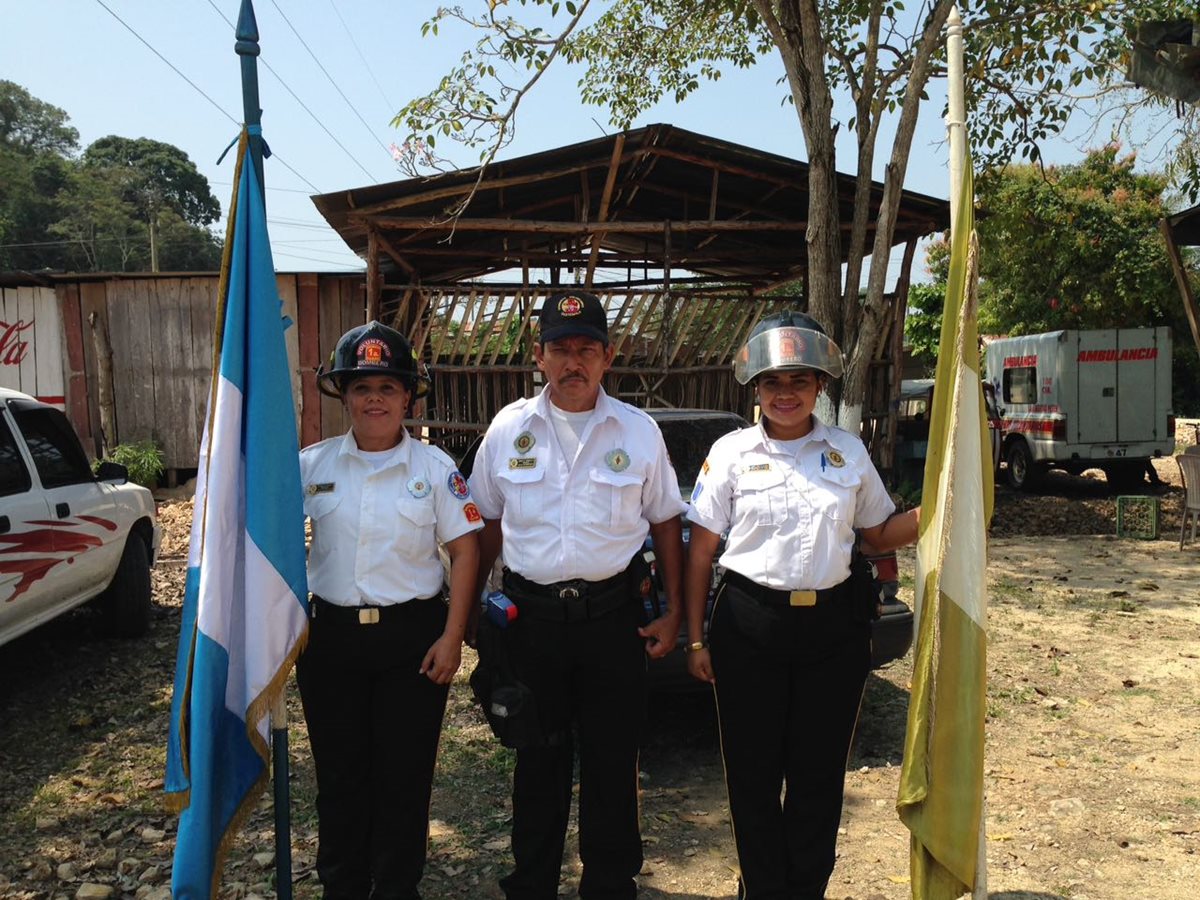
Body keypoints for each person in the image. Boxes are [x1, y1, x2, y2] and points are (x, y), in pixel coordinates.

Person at [683, 311, 919, 900]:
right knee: (752, 776)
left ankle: (806, 890)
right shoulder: (731, 453)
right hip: (748, 627)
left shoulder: (847, 452)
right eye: (772, 382)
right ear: (755, 387)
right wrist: (696, 638)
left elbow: (877, 535)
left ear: (819, 386)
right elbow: (701, 552)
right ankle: (762, 890)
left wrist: (942, 504)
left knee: (819, 776)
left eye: (799, 380)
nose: (785, 393)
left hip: (833, 633)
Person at [468, 290, 687, 900]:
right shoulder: (508, 429)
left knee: (612, 762)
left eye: (586, 349)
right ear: (538, 356)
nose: (573, 362)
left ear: (607, 357)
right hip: (530, 623)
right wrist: (474, 611)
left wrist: (672, 611)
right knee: (537, 760)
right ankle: (532, 885)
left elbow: (666, 521)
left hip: (613, 621)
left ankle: (609, 886)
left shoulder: (638, 432)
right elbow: (485, 521)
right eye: (560, 348)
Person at [297, 321, 482, 900]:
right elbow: (273, 546)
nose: (374, 399)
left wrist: (453, 636)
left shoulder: (434, 468)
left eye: (387, 387)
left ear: (407, 397)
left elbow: (466, 551)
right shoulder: (312, 466)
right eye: (361, 387)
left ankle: (398, 887)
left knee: (405, 777)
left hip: (412, 641)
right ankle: (343, 886)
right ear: (344, 395)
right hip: (330, 641)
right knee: (339, 776)